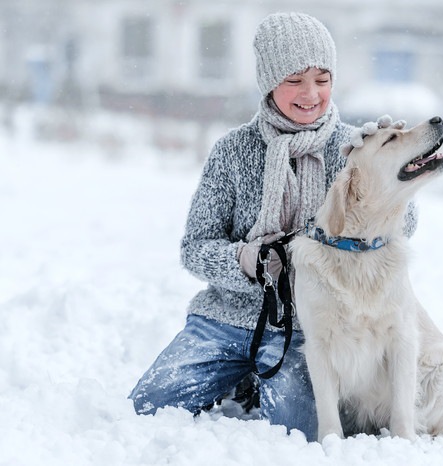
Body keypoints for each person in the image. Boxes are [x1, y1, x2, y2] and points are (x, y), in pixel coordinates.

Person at [129, 11, 416, 442]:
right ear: (268, 82)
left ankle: (256, 384)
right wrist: (247, 260)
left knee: (299, 429)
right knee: (149, 403)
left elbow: (404, 225)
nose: (310, 93)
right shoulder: (233, 150)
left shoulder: (354, 147)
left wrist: (389, 171)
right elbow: (195, 246)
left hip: (308, 330)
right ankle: (239, 376)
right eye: (295, 79)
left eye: (322, 79)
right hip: (224, 318)